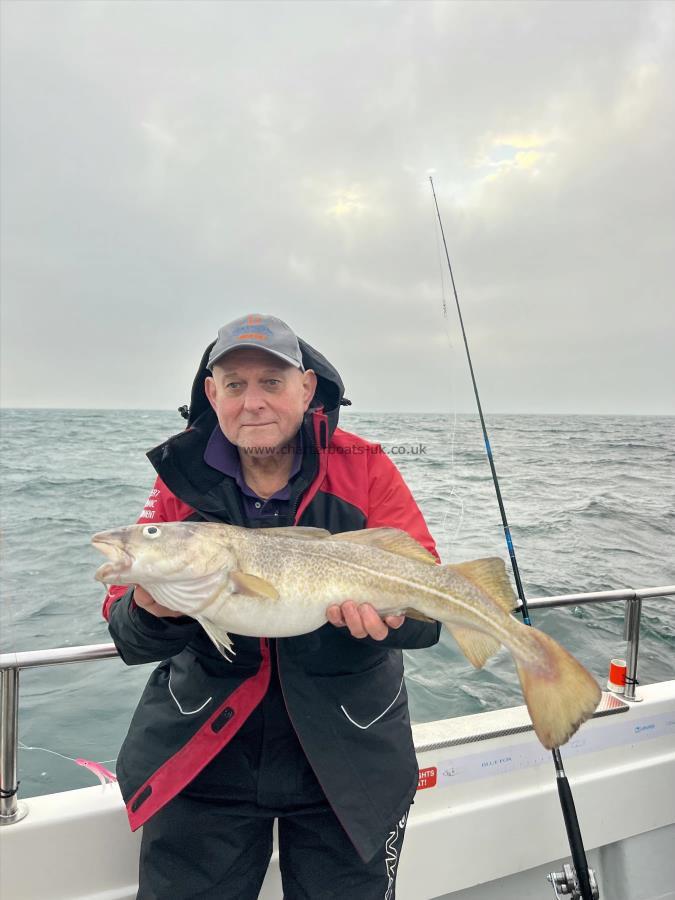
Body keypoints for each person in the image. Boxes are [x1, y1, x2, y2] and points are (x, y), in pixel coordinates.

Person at [103, 313, 441, 900]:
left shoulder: (366, 465)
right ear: (212, 393)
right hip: (206, 746)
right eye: (234, 385)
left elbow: (428, 612)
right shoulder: (179, 479)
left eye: (272, 382)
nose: (252, 403)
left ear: (306, 389)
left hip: (349, 752)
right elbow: (127, 636)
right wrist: (151, 611)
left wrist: (390, 622)